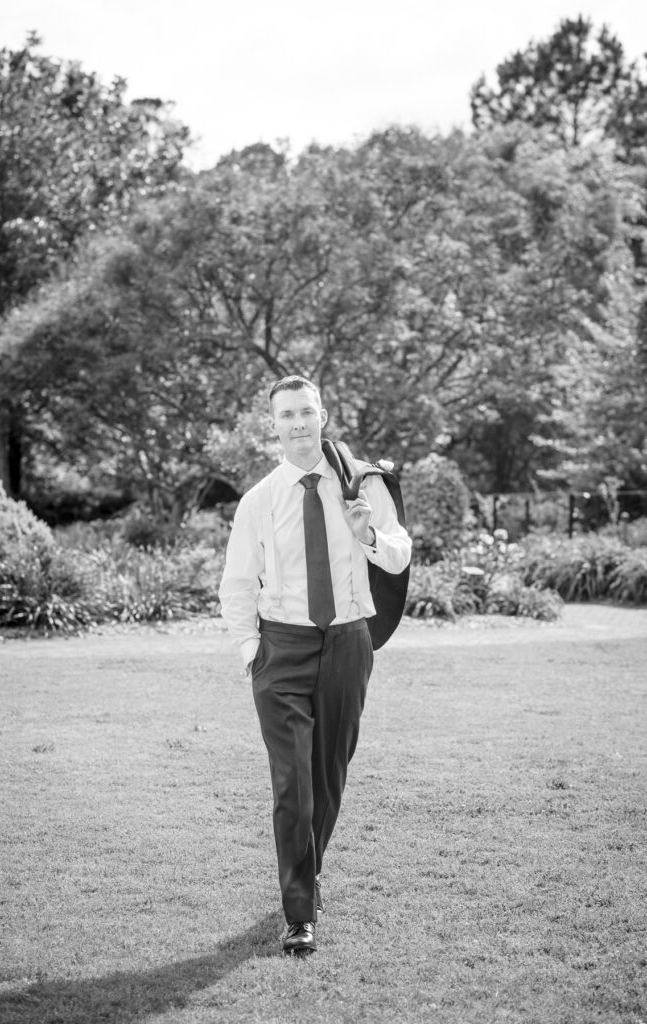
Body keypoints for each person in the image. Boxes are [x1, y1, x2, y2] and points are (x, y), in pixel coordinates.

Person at [218, 375, 412, 955]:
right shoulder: (259, 501)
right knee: (294, 785)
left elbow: (399, 554)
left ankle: (309, 871)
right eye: (286, 415)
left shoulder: (361, 485)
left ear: (322, 415)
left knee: (328, 777)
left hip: (348, 643)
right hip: (282, 648)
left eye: (307, 412)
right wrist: (252, 653)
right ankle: (299, 912)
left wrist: (368, 531)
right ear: (273, 425)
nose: (298, 424)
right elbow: (235, 585)